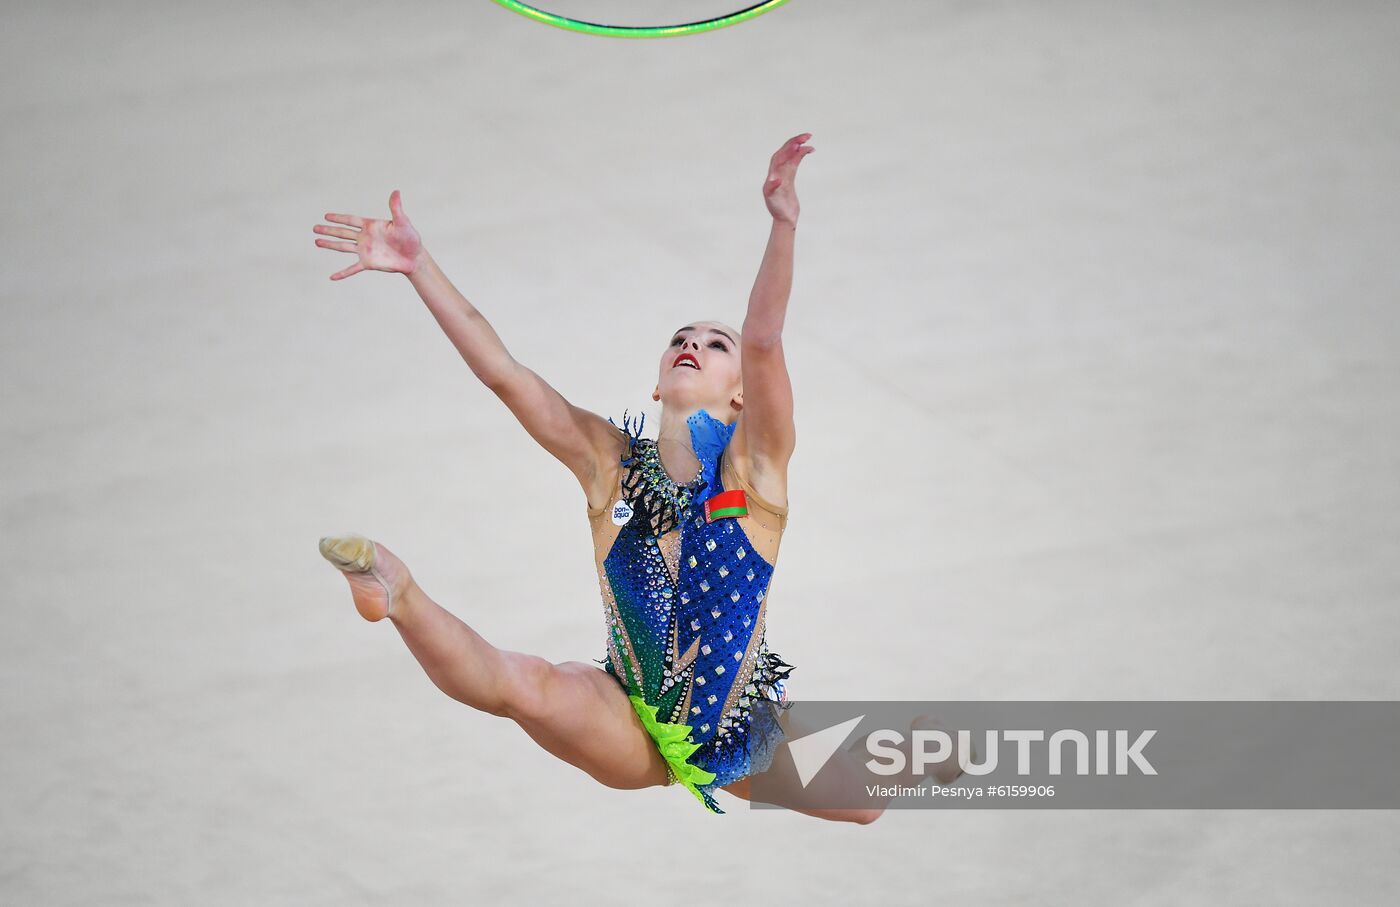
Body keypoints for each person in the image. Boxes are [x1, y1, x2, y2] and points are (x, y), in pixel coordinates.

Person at [312, 133, 964, 820]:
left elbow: (766, 339)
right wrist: (420, 267)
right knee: (523, 685)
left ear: (741, 393)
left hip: (736, 728)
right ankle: (397, 589)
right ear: (657, 382)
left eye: (716, 346)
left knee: (863, 805)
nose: (692, 346)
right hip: (624, 708)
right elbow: (504, 373)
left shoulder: (757, 469)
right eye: (682, 337)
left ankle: (912, 757)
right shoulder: (609, 463)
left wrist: (783, 224)